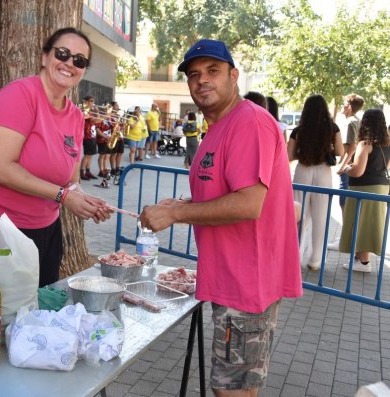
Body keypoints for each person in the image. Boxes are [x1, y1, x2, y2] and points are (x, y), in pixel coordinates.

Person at [139, 39, 302, 396]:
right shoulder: (220, 127)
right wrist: (179, 202)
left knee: (232, 391)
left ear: (234, 76)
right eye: (194, 75)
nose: (202, 81)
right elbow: (225, 192)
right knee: (236, 387)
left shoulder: (250, 122)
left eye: (213, 71)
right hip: (230, 279)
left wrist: (176, 213)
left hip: (246, 285)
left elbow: (247, 204)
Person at [0, 27, 111, 287]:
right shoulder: (19, 96)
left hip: (44, 231)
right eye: (63, 53)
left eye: (79, 60)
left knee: (33, 316)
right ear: (45, 57)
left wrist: (84, 199)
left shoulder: (75, 116)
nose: (70, 63)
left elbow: (69, 181)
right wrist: (63, 196)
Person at [287, 94, 343, 271]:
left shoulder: (298, 130)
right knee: (321, 217)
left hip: (303, 170)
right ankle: (315, 261)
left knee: (298, 216)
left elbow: (288, 156)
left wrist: (304, 153)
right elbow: (340, 151)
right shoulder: (332, 128)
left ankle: (293, 257)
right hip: (323, 172)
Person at [339, 109, 390, 273]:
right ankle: (363, 261)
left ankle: (362, 261)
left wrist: (347, 168)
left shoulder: (366, 143)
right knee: (370, 223)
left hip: (363, 188)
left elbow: (358, 171)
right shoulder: (388, 143)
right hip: (382, 187)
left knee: (358, 222)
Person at [337, 93, 365, 212]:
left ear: (349, 106)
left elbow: (352, 147)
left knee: (344, 196)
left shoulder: (350, 123)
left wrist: (342, 166)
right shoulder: (358, 121)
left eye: (344, 103)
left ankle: (346, 224)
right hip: (356, 163)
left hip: (349, 164)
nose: (342, 106)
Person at [79, 95, 98, 180]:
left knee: (90, 155)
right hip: (87, 136)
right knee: (87, 155)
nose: (92, 103)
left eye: (93, 101)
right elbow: (95, 120)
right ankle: (81, 172)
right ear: (85, 102)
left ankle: (88, 171)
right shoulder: (84, 111)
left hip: (92, 136)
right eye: (91, 101)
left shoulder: (90, 112)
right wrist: (98, 113)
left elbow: (97, 122)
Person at [108, 101, 125, 178]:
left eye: (118, 105)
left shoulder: (119, 116)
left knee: (120, 153)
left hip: (120, 136)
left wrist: (123, 125)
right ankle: (113, 169)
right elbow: (110, 125)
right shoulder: (110, 116)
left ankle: (117, 168)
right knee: (113, 154)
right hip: (114, 136)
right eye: (116, 105)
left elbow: (122, 126)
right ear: (112, 107)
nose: (118, 107)